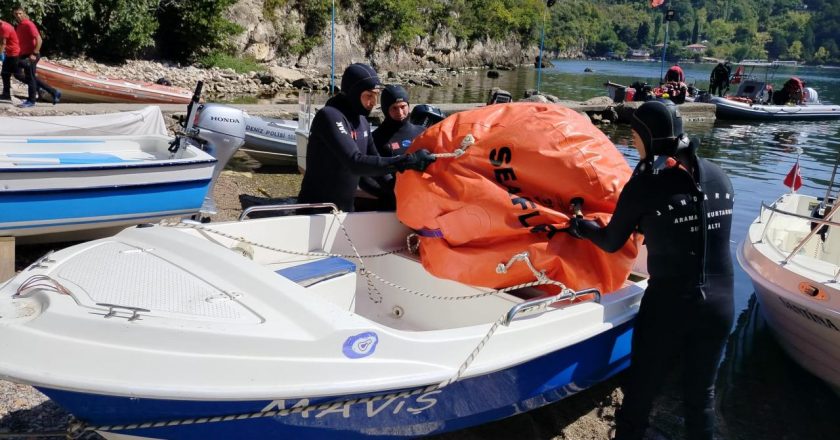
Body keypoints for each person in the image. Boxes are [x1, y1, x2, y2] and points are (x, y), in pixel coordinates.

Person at [567, 100, 734, 440]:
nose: (630, 140)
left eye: (634, 133)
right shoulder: (720, 175)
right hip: (721, 303)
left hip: (670, 304)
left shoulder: (645, 186)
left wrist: (580, 227)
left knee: (641, 393)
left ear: (649, 137)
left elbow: (612, 241)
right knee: (700, 397)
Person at [297, 63, 435, 212]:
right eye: (369, 95)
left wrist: (400, 193)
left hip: (344, 211)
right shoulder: (329, 116)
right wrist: (407, 161)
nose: (374, 103)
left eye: (376, 96)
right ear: (353, 93)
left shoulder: (362, 121)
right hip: (314, 212)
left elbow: (375, 163)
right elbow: (355, 162)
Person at [358, 84, 426, 211]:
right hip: (391, 205)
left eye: (403, 107)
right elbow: (363, 177)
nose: (400, 112)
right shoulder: (375, 138)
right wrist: (390, 192)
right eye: (394, 108)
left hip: (421, 201)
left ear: (409, 106)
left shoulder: (422, 132)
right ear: (385, 109)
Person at [13, 6, 60, 108]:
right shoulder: (20, 25)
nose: (18, 16)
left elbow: (39, 40)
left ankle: (31, 101)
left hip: (32, 54)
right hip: (23, 54)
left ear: (24, 13)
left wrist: (34, 54)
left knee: (30, 77)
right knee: (18, 73)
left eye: (20, 13)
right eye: (16, 14)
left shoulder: (29, 24)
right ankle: (53, 91)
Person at [0, 19, 19, 101]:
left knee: (19, 76)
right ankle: (6, 94)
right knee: (4, 74)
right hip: (9, 53)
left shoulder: (4, 27)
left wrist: (0, 54)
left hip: (14, 53)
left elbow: (3, 43)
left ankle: (37, 87)